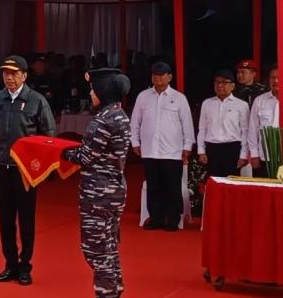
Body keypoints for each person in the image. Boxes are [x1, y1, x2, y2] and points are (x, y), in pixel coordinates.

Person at [0, 55, 55, 286]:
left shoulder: (36, 100)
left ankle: (25, 265)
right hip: (2, 167)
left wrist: (40, 166)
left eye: (14, 73)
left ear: (24, 75)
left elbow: (48, 135)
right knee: (5, 220)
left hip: (25, 170)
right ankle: (10, 264)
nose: (9, 77)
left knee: (26, 219)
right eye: (5, 73)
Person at [62, 68, 131, 298]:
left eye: (93, 89)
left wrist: (61, 150)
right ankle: (115, 290)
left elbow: (85, 156)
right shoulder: (119, 114)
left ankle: (107, 293)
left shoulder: (103, 119)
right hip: (114, 190)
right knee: (109, 246)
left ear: (104, 90)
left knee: (95, 250)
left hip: (98, 194)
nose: (91, 94)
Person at [130, 61, 194, 231]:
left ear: (169, 77)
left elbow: (187, 124)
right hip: (150, 149)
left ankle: (173, 219)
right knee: (153, 186)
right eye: (155, 75)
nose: (158, 78)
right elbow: (135, 122)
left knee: (172, 186)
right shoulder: (143, 96)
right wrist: (135, 142)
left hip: (172, 151)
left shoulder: (179, 98)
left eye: (161, 74)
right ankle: (156, 218)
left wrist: (187, 146)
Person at [197, 69, 250, 178]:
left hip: (232, 148)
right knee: (213, 182)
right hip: (212, 149)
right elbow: (202, 129)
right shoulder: (207, 103)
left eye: (224, 82)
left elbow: (245, 131)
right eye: (217, 82)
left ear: (232, 86)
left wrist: (244, 155)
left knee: (231, 183)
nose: (220, 85)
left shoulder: (241, 105)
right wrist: (201, 151)